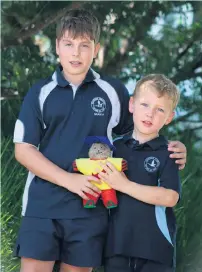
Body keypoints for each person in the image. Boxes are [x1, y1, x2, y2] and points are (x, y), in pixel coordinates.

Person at [13, 8, 186, 272]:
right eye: (69, 44)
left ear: (96, 49)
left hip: (90, 209)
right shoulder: (40, 92)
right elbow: (24, 150)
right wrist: (69, 180)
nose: (76, 53)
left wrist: (173, 149)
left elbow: (143, 132)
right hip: (42, 206)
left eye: (84, 46)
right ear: (57, 46)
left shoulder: (113, 91)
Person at [98, 74, 183, 272]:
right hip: (116, 247)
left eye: (160, 110)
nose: (150, 114)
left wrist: (125, 185)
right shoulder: (114, 148)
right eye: (144, 105)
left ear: (169, 117)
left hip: (155, 250)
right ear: (132, 105)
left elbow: (170, 197)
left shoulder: (169, 152)